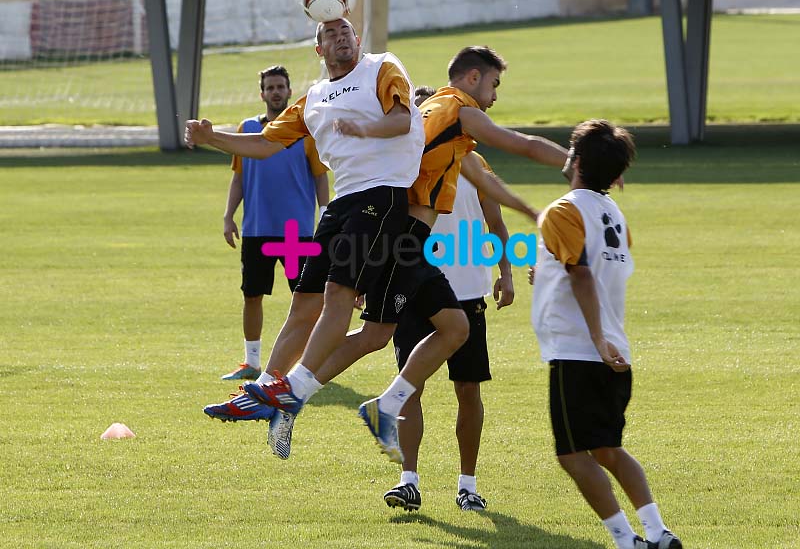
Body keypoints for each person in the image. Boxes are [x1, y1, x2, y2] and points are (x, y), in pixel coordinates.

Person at [243, 46, 569, 464]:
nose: (494, 96)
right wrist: (576, 163)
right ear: (473, 78)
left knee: (380, 335)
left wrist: (532, 212)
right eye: (494, 84)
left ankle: (293, 396)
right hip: (404, 237)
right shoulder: (456, 111)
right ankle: (331, 398)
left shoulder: (441, 127)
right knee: (450, 329)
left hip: (393, 235)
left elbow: (487, 185)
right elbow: (520, 144)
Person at [187, 18, 425, 459]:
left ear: (358, 39)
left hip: (383, 194)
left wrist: (364, 128)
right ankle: (262, 394)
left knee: (340, 294)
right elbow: (263, 144)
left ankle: (288, 392)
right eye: (331, 36)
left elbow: (400, 121)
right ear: (319, 51)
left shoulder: (382, 67)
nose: (342, 39)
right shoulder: (311, 99)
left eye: (347, 32)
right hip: (342, 202)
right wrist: (211, 138)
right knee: (304, 302)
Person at [529, 119, 682, 549]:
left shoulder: (562, 210)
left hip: (580, 351)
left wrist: (595, 338)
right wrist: (543, 273)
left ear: (575, 161)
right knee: (608, 450)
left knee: (572, 454)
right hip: (618, 351)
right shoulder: (615, 214)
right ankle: (657, 532)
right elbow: (593, 266)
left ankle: (625, 540)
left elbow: (581, 275)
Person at [384, 147, 514, 513]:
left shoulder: (475, 164)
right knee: (409, 387)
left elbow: (496, 224)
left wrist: (506, 273)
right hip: (413, 290)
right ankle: (408, 481)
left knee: (468, 389)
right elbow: (386, 227)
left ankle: (467, 486)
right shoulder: (403, 164)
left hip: (467, 292)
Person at [220, 65, 329, 381]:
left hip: (297, 234)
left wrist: (325, 212)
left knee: (306, 299)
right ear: (262, 93)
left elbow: (320, 177)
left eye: (281, 86)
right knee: (252, 295)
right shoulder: (248, 129)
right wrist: (229, 216)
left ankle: (308, 365)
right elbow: (239, 178)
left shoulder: (304, 132)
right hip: (257, 230)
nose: (276, 92)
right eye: (270, 87)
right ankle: (252, 362)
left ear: (289, 91)